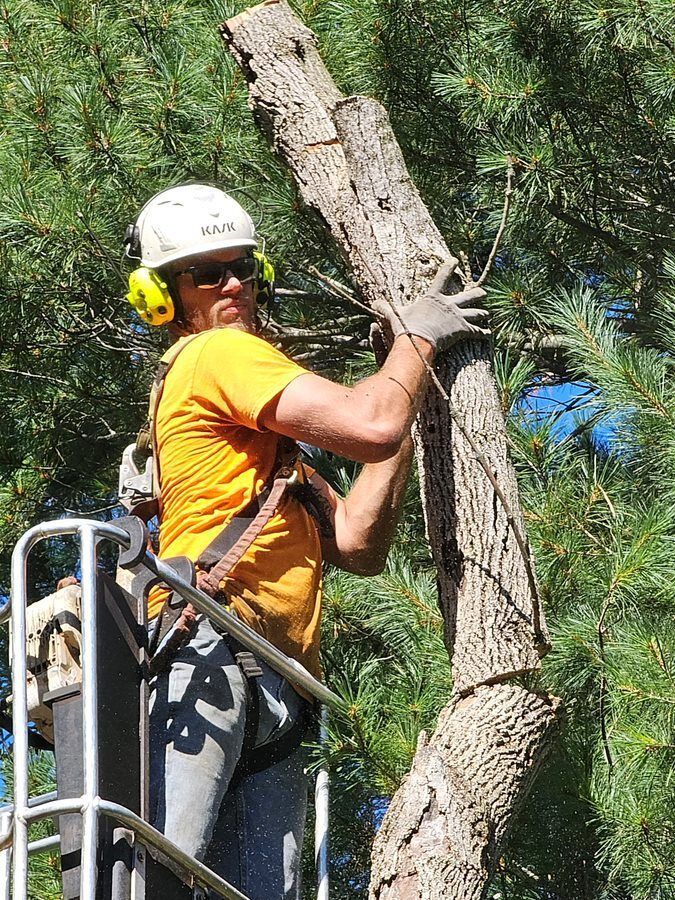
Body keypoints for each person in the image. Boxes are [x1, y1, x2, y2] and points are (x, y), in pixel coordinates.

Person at [123, 183, 488, 899]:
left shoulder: (269, 458)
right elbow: (369, 425)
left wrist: (399, 388)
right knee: (165, 879)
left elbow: (357, 542)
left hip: (277, 681)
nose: (233, 284)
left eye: (243, 267)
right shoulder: (215, 353)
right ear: (165, 297)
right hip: (208, 650)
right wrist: (414, 342)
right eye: (208, 273)